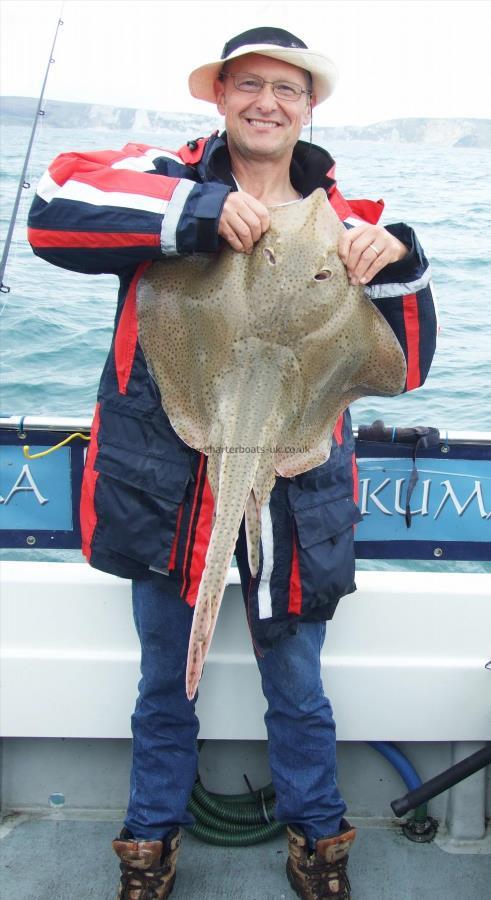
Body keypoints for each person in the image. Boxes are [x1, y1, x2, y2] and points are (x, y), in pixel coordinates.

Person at [28, 26, 437, 900]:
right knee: (161, 683)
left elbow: (404, 366)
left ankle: (319, 841)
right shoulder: (170, 182)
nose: (266, 103)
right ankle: (148, 844)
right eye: (248, 85)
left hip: (295, 484)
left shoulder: (348, 221)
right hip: (168, 485)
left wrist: (402, 263)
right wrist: (198, 217)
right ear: (218, 96)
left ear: (309, 106)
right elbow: (51, 208)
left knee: (297, 684)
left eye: (286, 90)